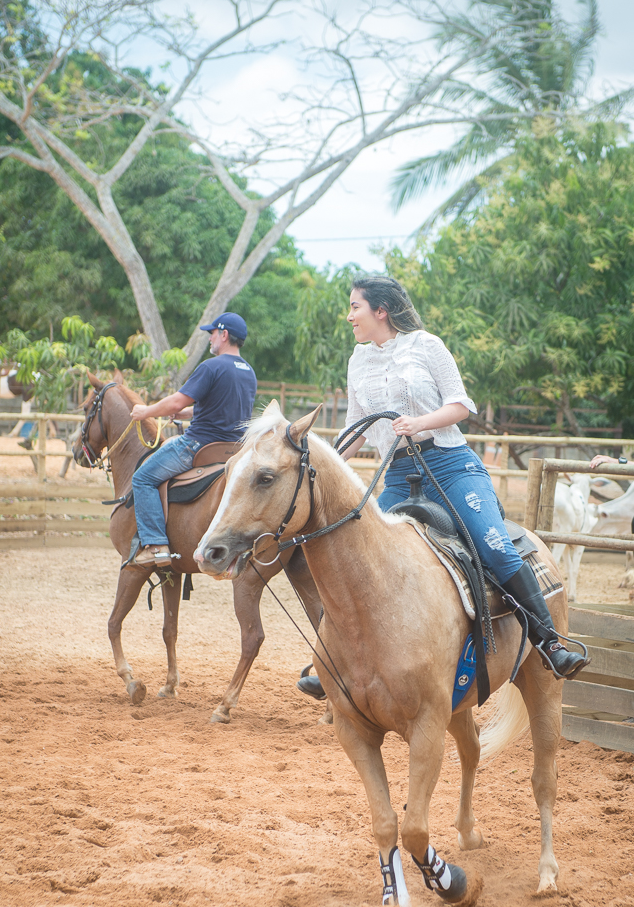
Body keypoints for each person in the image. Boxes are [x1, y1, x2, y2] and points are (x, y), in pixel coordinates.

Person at [297, 276, 586, 700]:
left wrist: (418, 423)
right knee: (357, 558)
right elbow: (356, 426)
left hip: (450, 466)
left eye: (355, 306)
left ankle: (550, 642)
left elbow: (460, 405)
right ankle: (332, 660)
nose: (349, 315)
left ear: (381, 310)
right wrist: (322, 458)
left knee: (495, 545)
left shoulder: (427, 346)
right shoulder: (357, 360)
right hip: (396, 472)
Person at [128, 313, 257, 567]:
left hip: (197, 445)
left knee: (142, 478)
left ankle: (156, 544)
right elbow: (226, 408)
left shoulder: (211, 366)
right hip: (232, 450)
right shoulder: (248, 372)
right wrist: (187, 413)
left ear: (224, 334)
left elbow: (177, 400)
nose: (210, 338)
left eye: (212, 333)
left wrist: (146, 411)